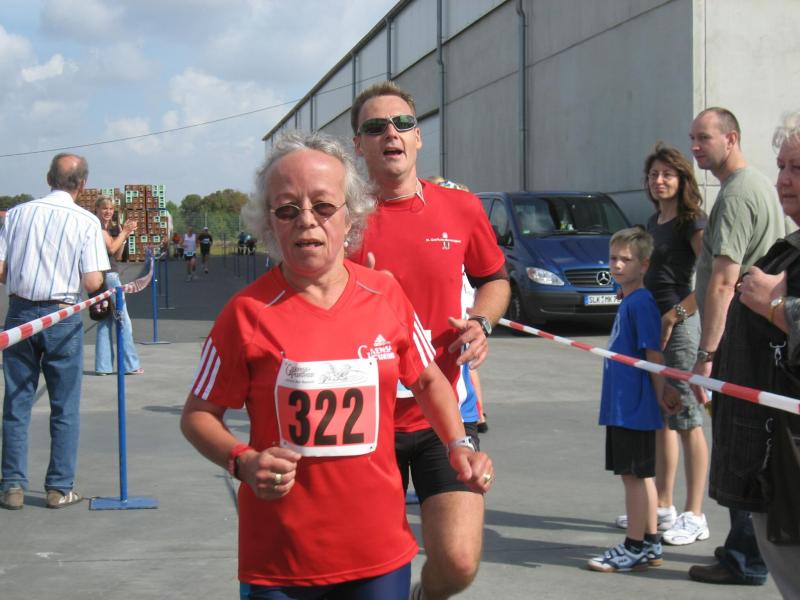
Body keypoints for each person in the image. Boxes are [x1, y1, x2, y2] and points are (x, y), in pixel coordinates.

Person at [180, 131, 495, 600]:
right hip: (281, 560)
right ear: (268, 223)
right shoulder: (245, 314)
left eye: (324, 206)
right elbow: (198, 415)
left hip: (378, 554)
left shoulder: (385, 295)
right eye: (287, 209)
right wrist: (243, 461)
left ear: (351, 216)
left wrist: (457, 444)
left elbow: (429, 380)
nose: (306, 220)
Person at [349, 81, 510, 600]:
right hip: (366, 420)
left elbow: (495, 279)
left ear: (418, 137)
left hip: (445, 413)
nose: (390, 134)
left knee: (458, 563)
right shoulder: (342, 219)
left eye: (402, 124)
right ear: (358, 144)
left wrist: (482, 323)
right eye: (376, 127)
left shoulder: (460, 208)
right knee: (371, 568)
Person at [687, 107, 786, 585]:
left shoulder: (738, 194)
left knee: (740, 446)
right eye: (692, 138)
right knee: (747, 441)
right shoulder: (751, 186)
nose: (695, 147)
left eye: (704, 138)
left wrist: (707, 355)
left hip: (740, 341)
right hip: (750, 337)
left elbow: (724, 281)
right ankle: (745, 550)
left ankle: (746, 559)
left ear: (731, 139)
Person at [706, 111, 800, 598]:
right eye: (782, 166)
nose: (783, 180)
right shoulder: (791, 246)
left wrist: (779, 309)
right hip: (772, 463)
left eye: (797, 169)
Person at [0, 153, 109, 510]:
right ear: (83, 185)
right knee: (64, 405)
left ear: (48, 178)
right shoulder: (86, 221)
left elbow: (0, 268)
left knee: (17, 400)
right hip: (62, 314)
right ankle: (59, 488)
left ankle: (12, 485)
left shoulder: (17, 215)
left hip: (20, 313)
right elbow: (92, 281)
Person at [614, 144, 710, 544]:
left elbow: (709, 281)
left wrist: (676, 315)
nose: (659, 181)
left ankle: (696, 514)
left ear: (682, 179)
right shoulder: (654, 222)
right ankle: (664, 505)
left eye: (667, 174)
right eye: (654, 174)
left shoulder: (693, 222)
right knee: (663, 416)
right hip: (652, 327)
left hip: (680, 328)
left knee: (688, 419)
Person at [587, 227, 666, 573]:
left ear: (644, 265)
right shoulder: (629, 299)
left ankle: (634, 545)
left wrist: (662, 395)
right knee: (638, 475)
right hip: (623, 407)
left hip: (633, 408)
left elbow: (653, 355)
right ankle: (650, 542)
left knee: (633, 476)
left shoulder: (641, 303)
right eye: (613, 258)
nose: (617, 265)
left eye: (626, 260)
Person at [93, 197, 143, 376]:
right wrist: (125, 232)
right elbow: (112, 248)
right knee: (123, 320)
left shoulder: (108, 229)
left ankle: (103, 366)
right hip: (108, 277)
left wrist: (124, 235)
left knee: (105, 319)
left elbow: (118, 255)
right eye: (104, 208)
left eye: (111, 208)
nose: (108, 211)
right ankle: (131, 364)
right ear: (97, 209)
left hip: (102, 275)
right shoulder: (97, 228)